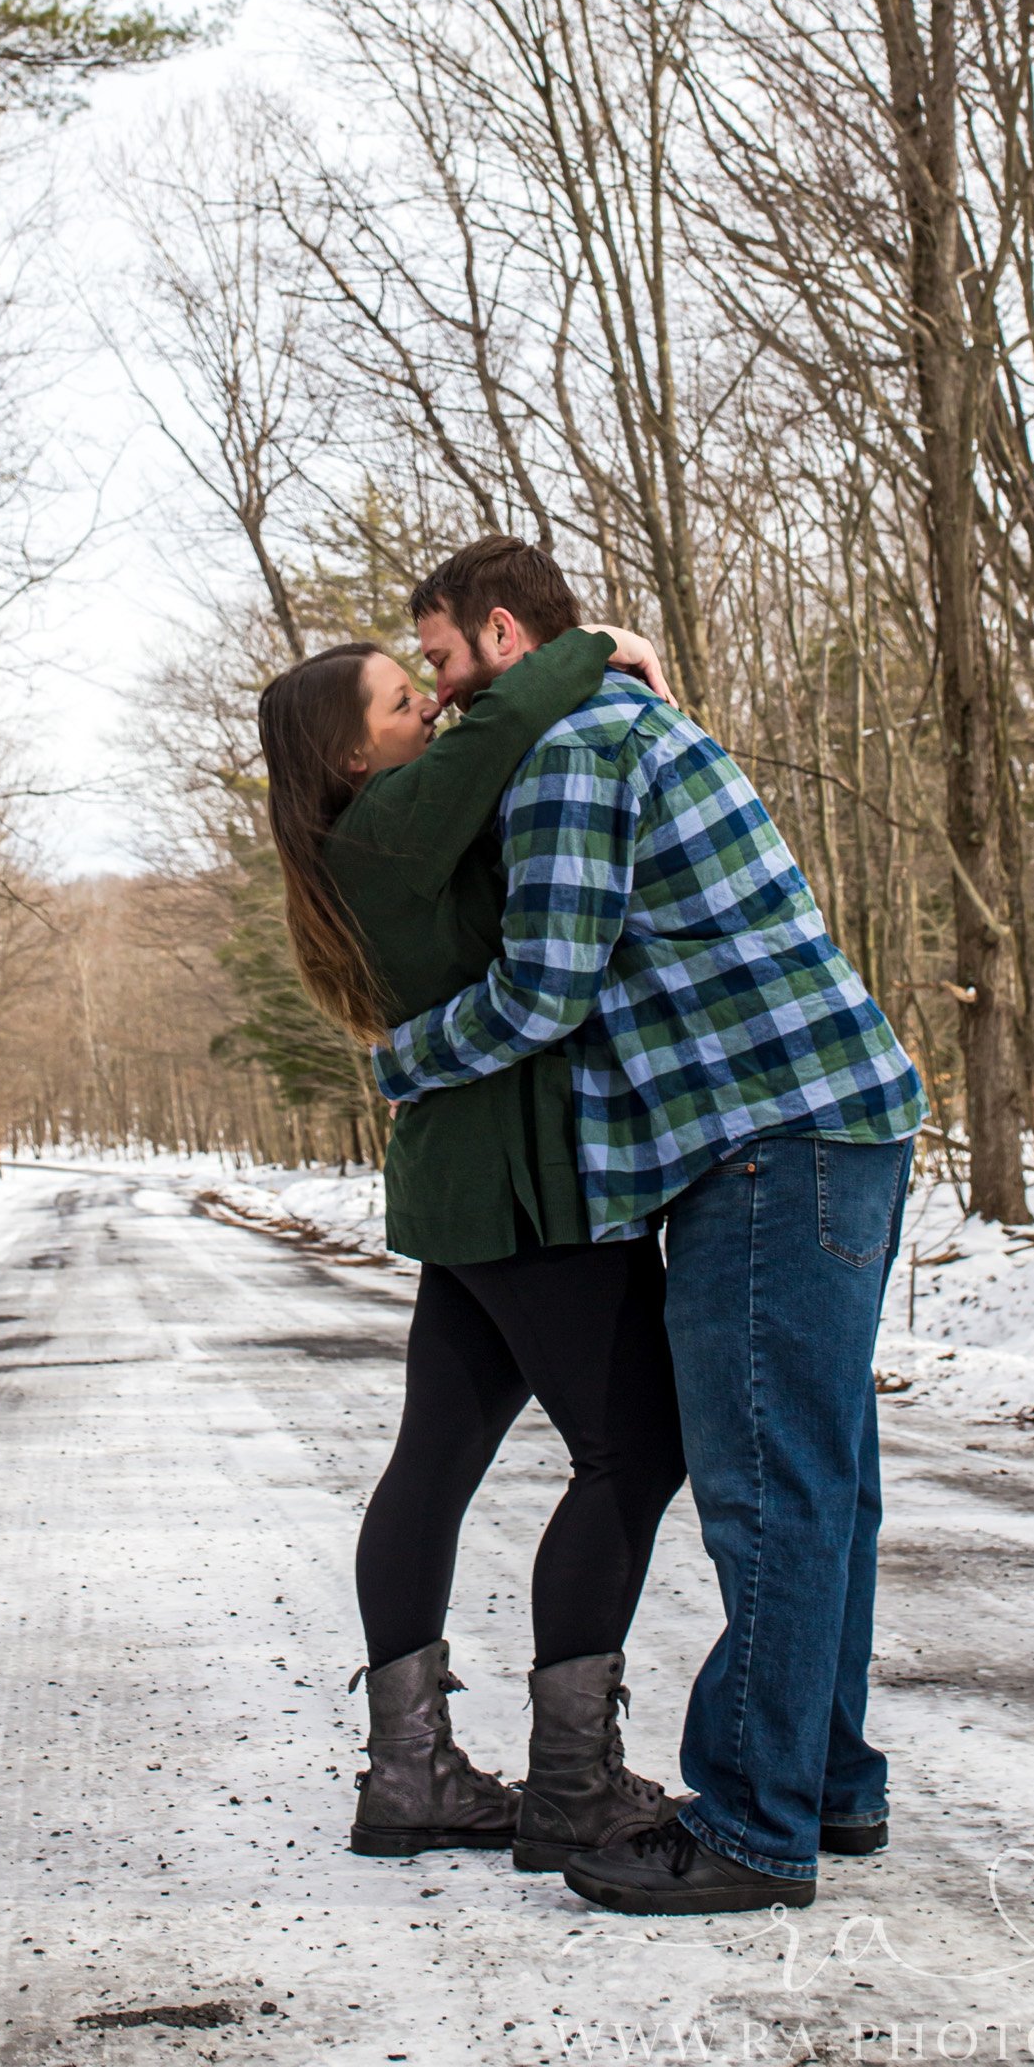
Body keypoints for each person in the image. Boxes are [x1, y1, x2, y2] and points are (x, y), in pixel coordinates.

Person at [374, 536, 926, 1918]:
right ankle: (827, 1782)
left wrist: (401, 1057)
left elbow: (543, 990)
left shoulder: (568, 756)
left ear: (504, 635)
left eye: (439, 662)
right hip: (828, 1131)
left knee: (765, 1493)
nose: (437, 700)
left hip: (765, 1145)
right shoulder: (636, 720)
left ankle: (750, 1825)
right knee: (826, 1483)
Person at [256, 591, 687, 1876]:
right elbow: (500, 723)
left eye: (422, 684)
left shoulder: (379, 832)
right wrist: (599, 647)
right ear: (352, 756)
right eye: (402, 702)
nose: (431, 707)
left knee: (433, 1464)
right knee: (635, 1450)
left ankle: (409, 1778)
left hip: (463, 1184)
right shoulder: (389, 820)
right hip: (516, 1187)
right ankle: (570, 1784)